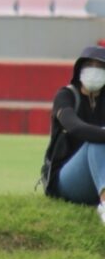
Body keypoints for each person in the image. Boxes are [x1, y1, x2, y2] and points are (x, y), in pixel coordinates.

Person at [43, 45, 105, 224]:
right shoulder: (66, 96)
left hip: (97, 177)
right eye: (90, 66)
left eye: (101, 67)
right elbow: (76, 127)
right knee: (97, 139)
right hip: (65, 180)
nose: (95, 71)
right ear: (79, 70)